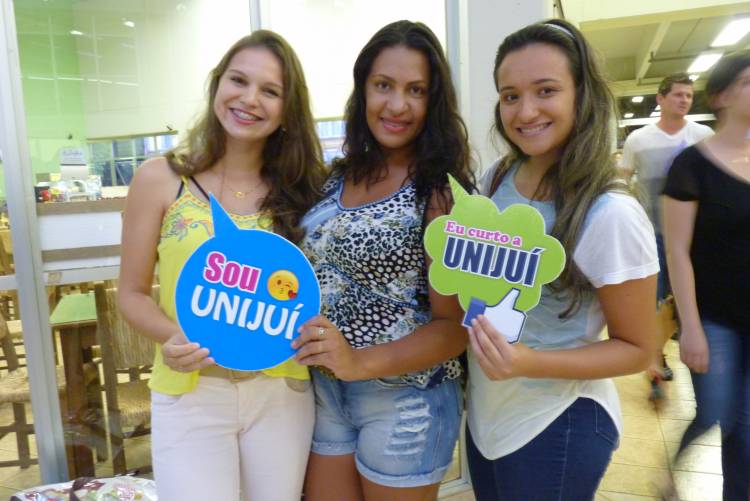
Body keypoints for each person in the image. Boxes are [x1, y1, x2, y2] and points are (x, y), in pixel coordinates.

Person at [117, 31, 326, 501]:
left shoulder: (305, 189)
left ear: (287, 109)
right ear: (217, 84)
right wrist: (171, 336)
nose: (249, 99)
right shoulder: (160, 179)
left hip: (282, 392)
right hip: (191, 392)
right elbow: (130, 292)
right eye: (239, 80)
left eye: (270, 91)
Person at [465, 20, 659, 500]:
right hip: (487, 416)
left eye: (546, 90)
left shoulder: (610, 213)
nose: (525, 111)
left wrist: (528, 361)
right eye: (510, 96)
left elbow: (638, 348)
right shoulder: (497, 178)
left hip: (556, 424)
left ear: (582, 95)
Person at [291, 20, 474, 501]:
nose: (397, 105)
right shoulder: (332, 178)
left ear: (434, 102)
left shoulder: (441, 193)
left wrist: (357, 361)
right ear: (363, 91)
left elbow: (453, 327)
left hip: (406, 398)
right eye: (383, 85)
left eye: (416, 90)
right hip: (325, 391)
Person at [662, 51, 750, 501]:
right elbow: (677, 251)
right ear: (721, 96)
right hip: (714, 317)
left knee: (746, 431)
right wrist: (691, 327)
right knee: (716, 412)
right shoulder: (691, 166)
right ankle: (670, 473)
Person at [621, 73, 713, 400]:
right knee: (656, 300)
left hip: (696, 236)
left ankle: (696, 353)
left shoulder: (703, 136)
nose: (684, 100)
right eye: (678, 95)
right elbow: (621, 180)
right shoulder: (639, 140)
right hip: (653, 236)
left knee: (692, 299)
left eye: (689, 95)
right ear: (660, 98)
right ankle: (656, 360)